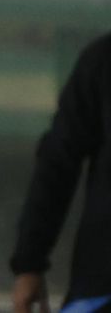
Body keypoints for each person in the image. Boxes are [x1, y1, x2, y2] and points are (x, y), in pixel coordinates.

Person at [10, 33, 111, 313]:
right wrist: (29, 262)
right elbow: (58, 164)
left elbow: (58, 163)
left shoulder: (101, 59)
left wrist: (29, 263)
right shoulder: (102, 60)